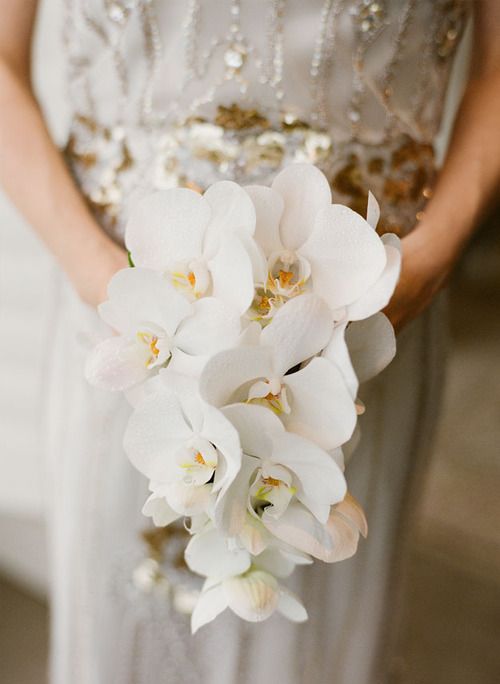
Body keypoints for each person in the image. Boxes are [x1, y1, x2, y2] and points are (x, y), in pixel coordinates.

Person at [0, 1, 499, 682]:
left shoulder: (391, 295)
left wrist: (421, 269)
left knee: (322, 624)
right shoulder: (121, 310)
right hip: (126, 323)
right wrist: (115, 290)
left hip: (368, 320)